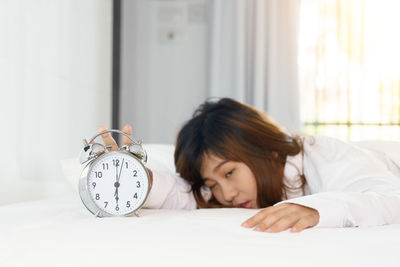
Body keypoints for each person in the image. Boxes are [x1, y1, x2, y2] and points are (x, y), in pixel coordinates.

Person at [98, 98, 400, 233]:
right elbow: (187, 195)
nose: (226, 194)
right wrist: (138, 179)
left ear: (265, 151)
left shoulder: (328, 157)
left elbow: (388, 196)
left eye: (229, 173)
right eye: (213, 184)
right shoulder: (227, 191)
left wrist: (315, 208)